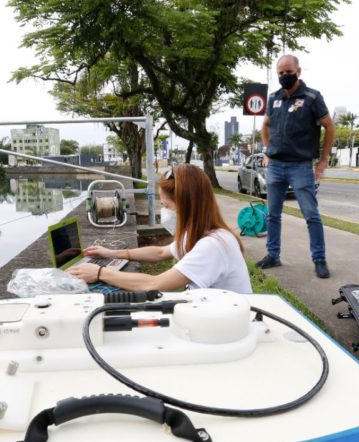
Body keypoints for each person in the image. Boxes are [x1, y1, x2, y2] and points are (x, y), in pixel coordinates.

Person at [67, 164, 252, 293]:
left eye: (166, 205)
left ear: (186, 206)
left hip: (228, 327)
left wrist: (99, 273)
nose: (164, 211)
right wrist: (111, 253)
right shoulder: (200, 232)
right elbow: (160, 252)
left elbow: (155, 284)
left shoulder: (212, 245)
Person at [255, 54, 336, 279]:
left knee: (311, 214)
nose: (284, 76)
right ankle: (273, 255)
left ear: (298, 72)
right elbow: (265, 125)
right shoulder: (274, 98)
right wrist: (267, 150)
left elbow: (329, 127)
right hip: (276, 165)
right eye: (280, 73)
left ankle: (319, 259)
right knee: (272, 214)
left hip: (300, 166)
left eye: (288, 72)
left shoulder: (312, 97)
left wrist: (323, 160)